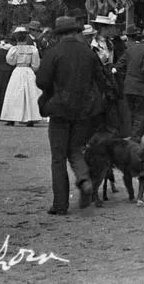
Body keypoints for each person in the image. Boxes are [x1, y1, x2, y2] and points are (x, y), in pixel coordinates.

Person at [35, 16, 106, 215]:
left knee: (58, 157)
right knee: (75, 149)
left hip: (59, 109)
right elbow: (101, 80)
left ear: (58, 34)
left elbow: (41, 82)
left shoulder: (53, 52)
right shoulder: (88, 52)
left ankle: (60, 204)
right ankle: (84, 179)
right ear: (76, 32)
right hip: (84, 110)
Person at [1, 27, 42, 125]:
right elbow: (35, 65)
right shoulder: (33, 49)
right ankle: (30, 118)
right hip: (28, 70)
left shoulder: (13, 49)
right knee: (30, 94)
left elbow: (10, 61)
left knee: (14, 93)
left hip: (18, 70)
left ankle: (11, 118)